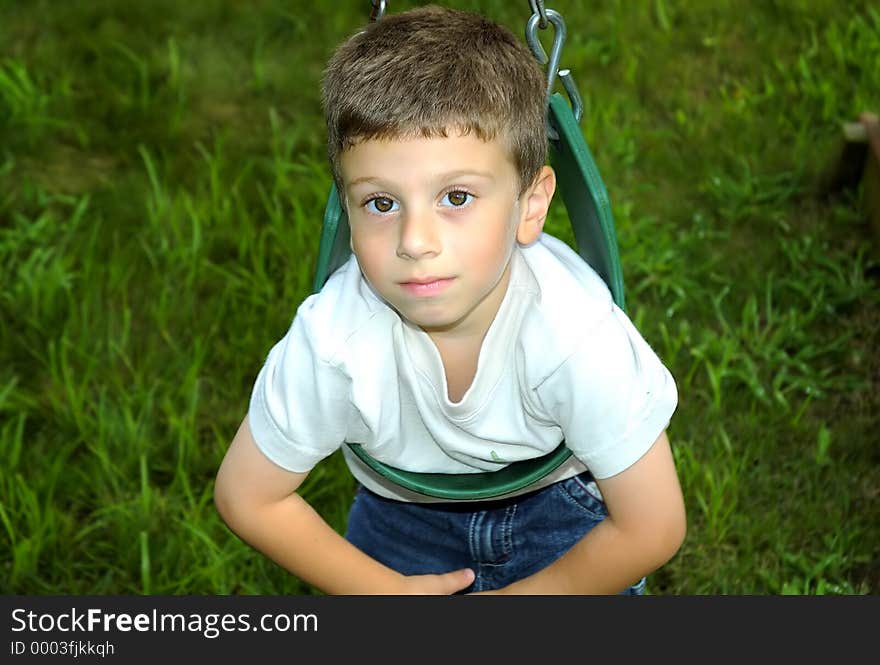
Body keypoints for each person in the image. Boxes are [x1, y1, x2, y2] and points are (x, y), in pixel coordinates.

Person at [214, 4, 686, 595]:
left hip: (569, 521)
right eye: (381, 203)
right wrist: (385, 594)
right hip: (397, 521)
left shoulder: (575, 337)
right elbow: (246, 495)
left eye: (456, 197)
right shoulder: (336, 343)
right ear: (347, 210)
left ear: (531, 205)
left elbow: (652, 525)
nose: (415, 242)